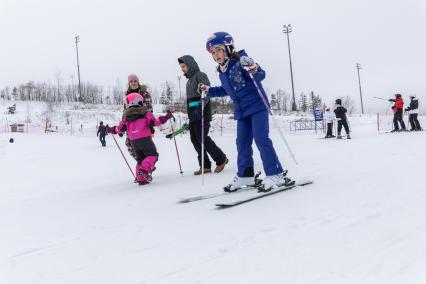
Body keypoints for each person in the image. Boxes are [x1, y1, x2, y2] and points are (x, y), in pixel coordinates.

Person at [199, 31, 293, 191]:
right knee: (241, 143)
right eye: (213, 52)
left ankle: (275, 174)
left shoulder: (241, 61)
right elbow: (226, 90)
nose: (216, 55)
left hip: (257, 106)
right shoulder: (223, 71)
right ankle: (246, 175)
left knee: (261, 139)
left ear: (228, 48)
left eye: (218, 50)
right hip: (241, 111)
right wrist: (208, 91)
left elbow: (261, 75)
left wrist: (253, 68)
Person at [178, 55, 228, 175]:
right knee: (194, 139)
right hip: (193, 113)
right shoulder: (189, 81)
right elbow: (191, 100)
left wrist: (199, 108)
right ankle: (205, 165)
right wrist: (191, 112)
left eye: (184, 66)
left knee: (202, 137)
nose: (182, 69)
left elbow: (206, 93)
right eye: (181, 67)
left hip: (202, 111)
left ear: (190, 65)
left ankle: (221, 159)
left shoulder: (200, 75)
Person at [107, 93, 173, 185]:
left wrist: (111, 129)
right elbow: (156, 122)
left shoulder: (126, 116)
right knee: (153, 155)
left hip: (134, 142)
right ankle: (145, 169)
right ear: (140, 102)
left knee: (140, 159)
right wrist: (166, 117)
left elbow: (119, 129)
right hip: (145, 139)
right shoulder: (146, 113)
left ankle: (141, 179)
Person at [124, 74, 153, 161]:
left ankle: (146, 167)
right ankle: (144, 164)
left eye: (135, 81)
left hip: (141, 124)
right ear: (129, 84)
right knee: (129, 144)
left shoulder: (144, 94)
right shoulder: (127, 95)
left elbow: (149, 109)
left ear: (138, 82)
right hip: (130, 124)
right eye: (131, 82)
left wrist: (149, 122)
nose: (133, 83)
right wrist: (124, 123)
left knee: (143, 146)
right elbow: (125, 110)